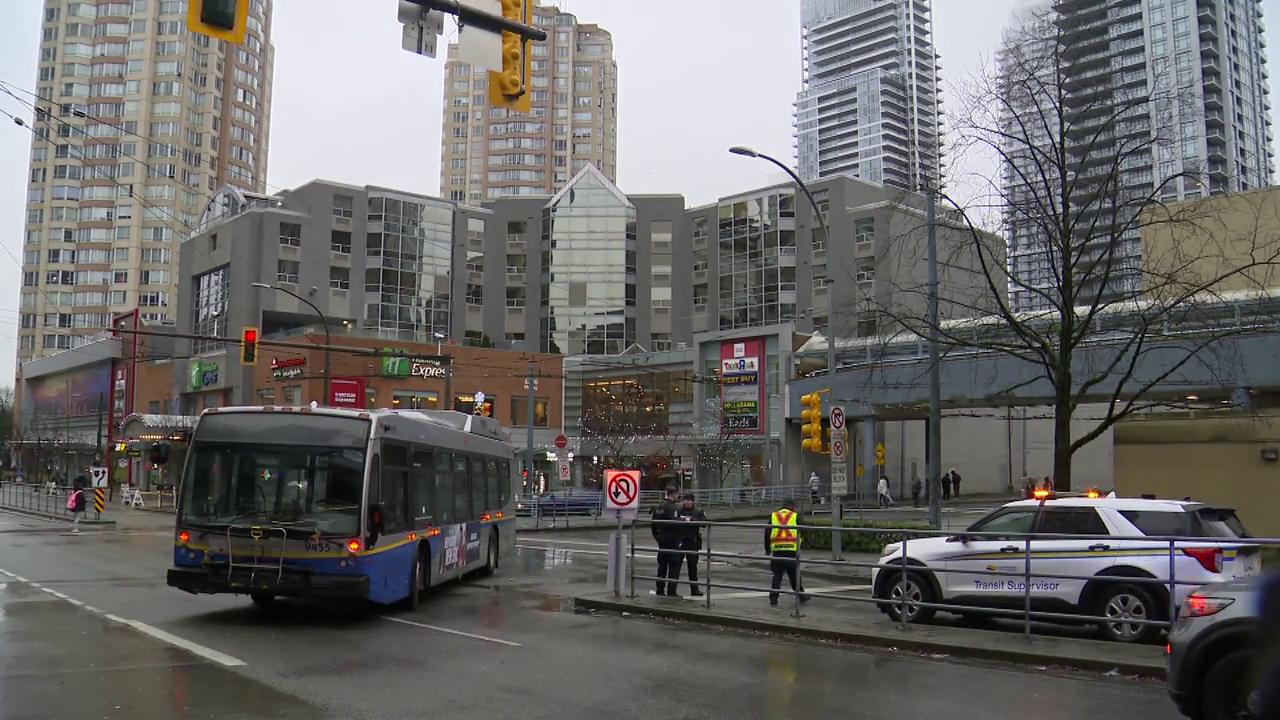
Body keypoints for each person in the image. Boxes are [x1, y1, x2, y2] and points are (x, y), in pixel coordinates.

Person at [764, 499, 808, 606]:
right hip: (791, 551)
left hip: (778, 550)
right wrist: (801, 542)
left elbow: (767, 533)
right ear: (792, 507)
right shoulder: (795, 516)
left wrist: (767, 549)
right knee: (794, 575)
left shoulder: (774, 516)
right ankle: (800, 595)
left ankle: (773, 598)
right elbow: (805, 529)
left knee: (777, 576)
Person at [650, 485, 682, 597]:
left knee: (662, 566)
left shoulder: (658, 507)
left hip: (662, 541)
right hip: (672, 540)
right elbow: (676, 524)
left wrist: (658, 538)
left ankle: (660, 590)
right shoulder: (673, 508)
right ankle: (671, 590)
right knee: (674, 566)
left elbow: (653, 525)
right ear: (674, 494)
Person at [676, 493, 708, 596]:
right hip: (680, 540)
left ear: (693, 501)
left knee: (692, 566)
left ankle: (694, 589)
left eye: (689, 500)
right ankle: (672, 589)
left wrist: (693, 520)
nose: (687, 502)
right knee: (676, 565)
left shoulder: (698, 511)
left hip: (692, 541)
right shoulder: (679, 511)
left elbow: (705, 523)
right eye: (685, 500)